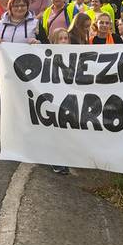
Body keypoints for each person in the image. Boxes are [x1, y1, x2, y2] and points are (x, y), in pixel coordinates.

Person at [47, 27, 71, 175]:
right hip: (54, 100)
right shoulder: (48, 56)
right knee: (55, 130)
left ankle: (64, 158)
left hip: (69, 100)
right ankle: (56, 160)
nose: (64, 41)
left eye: (66, 38)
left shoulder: (75, 55)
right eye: (60, 38)